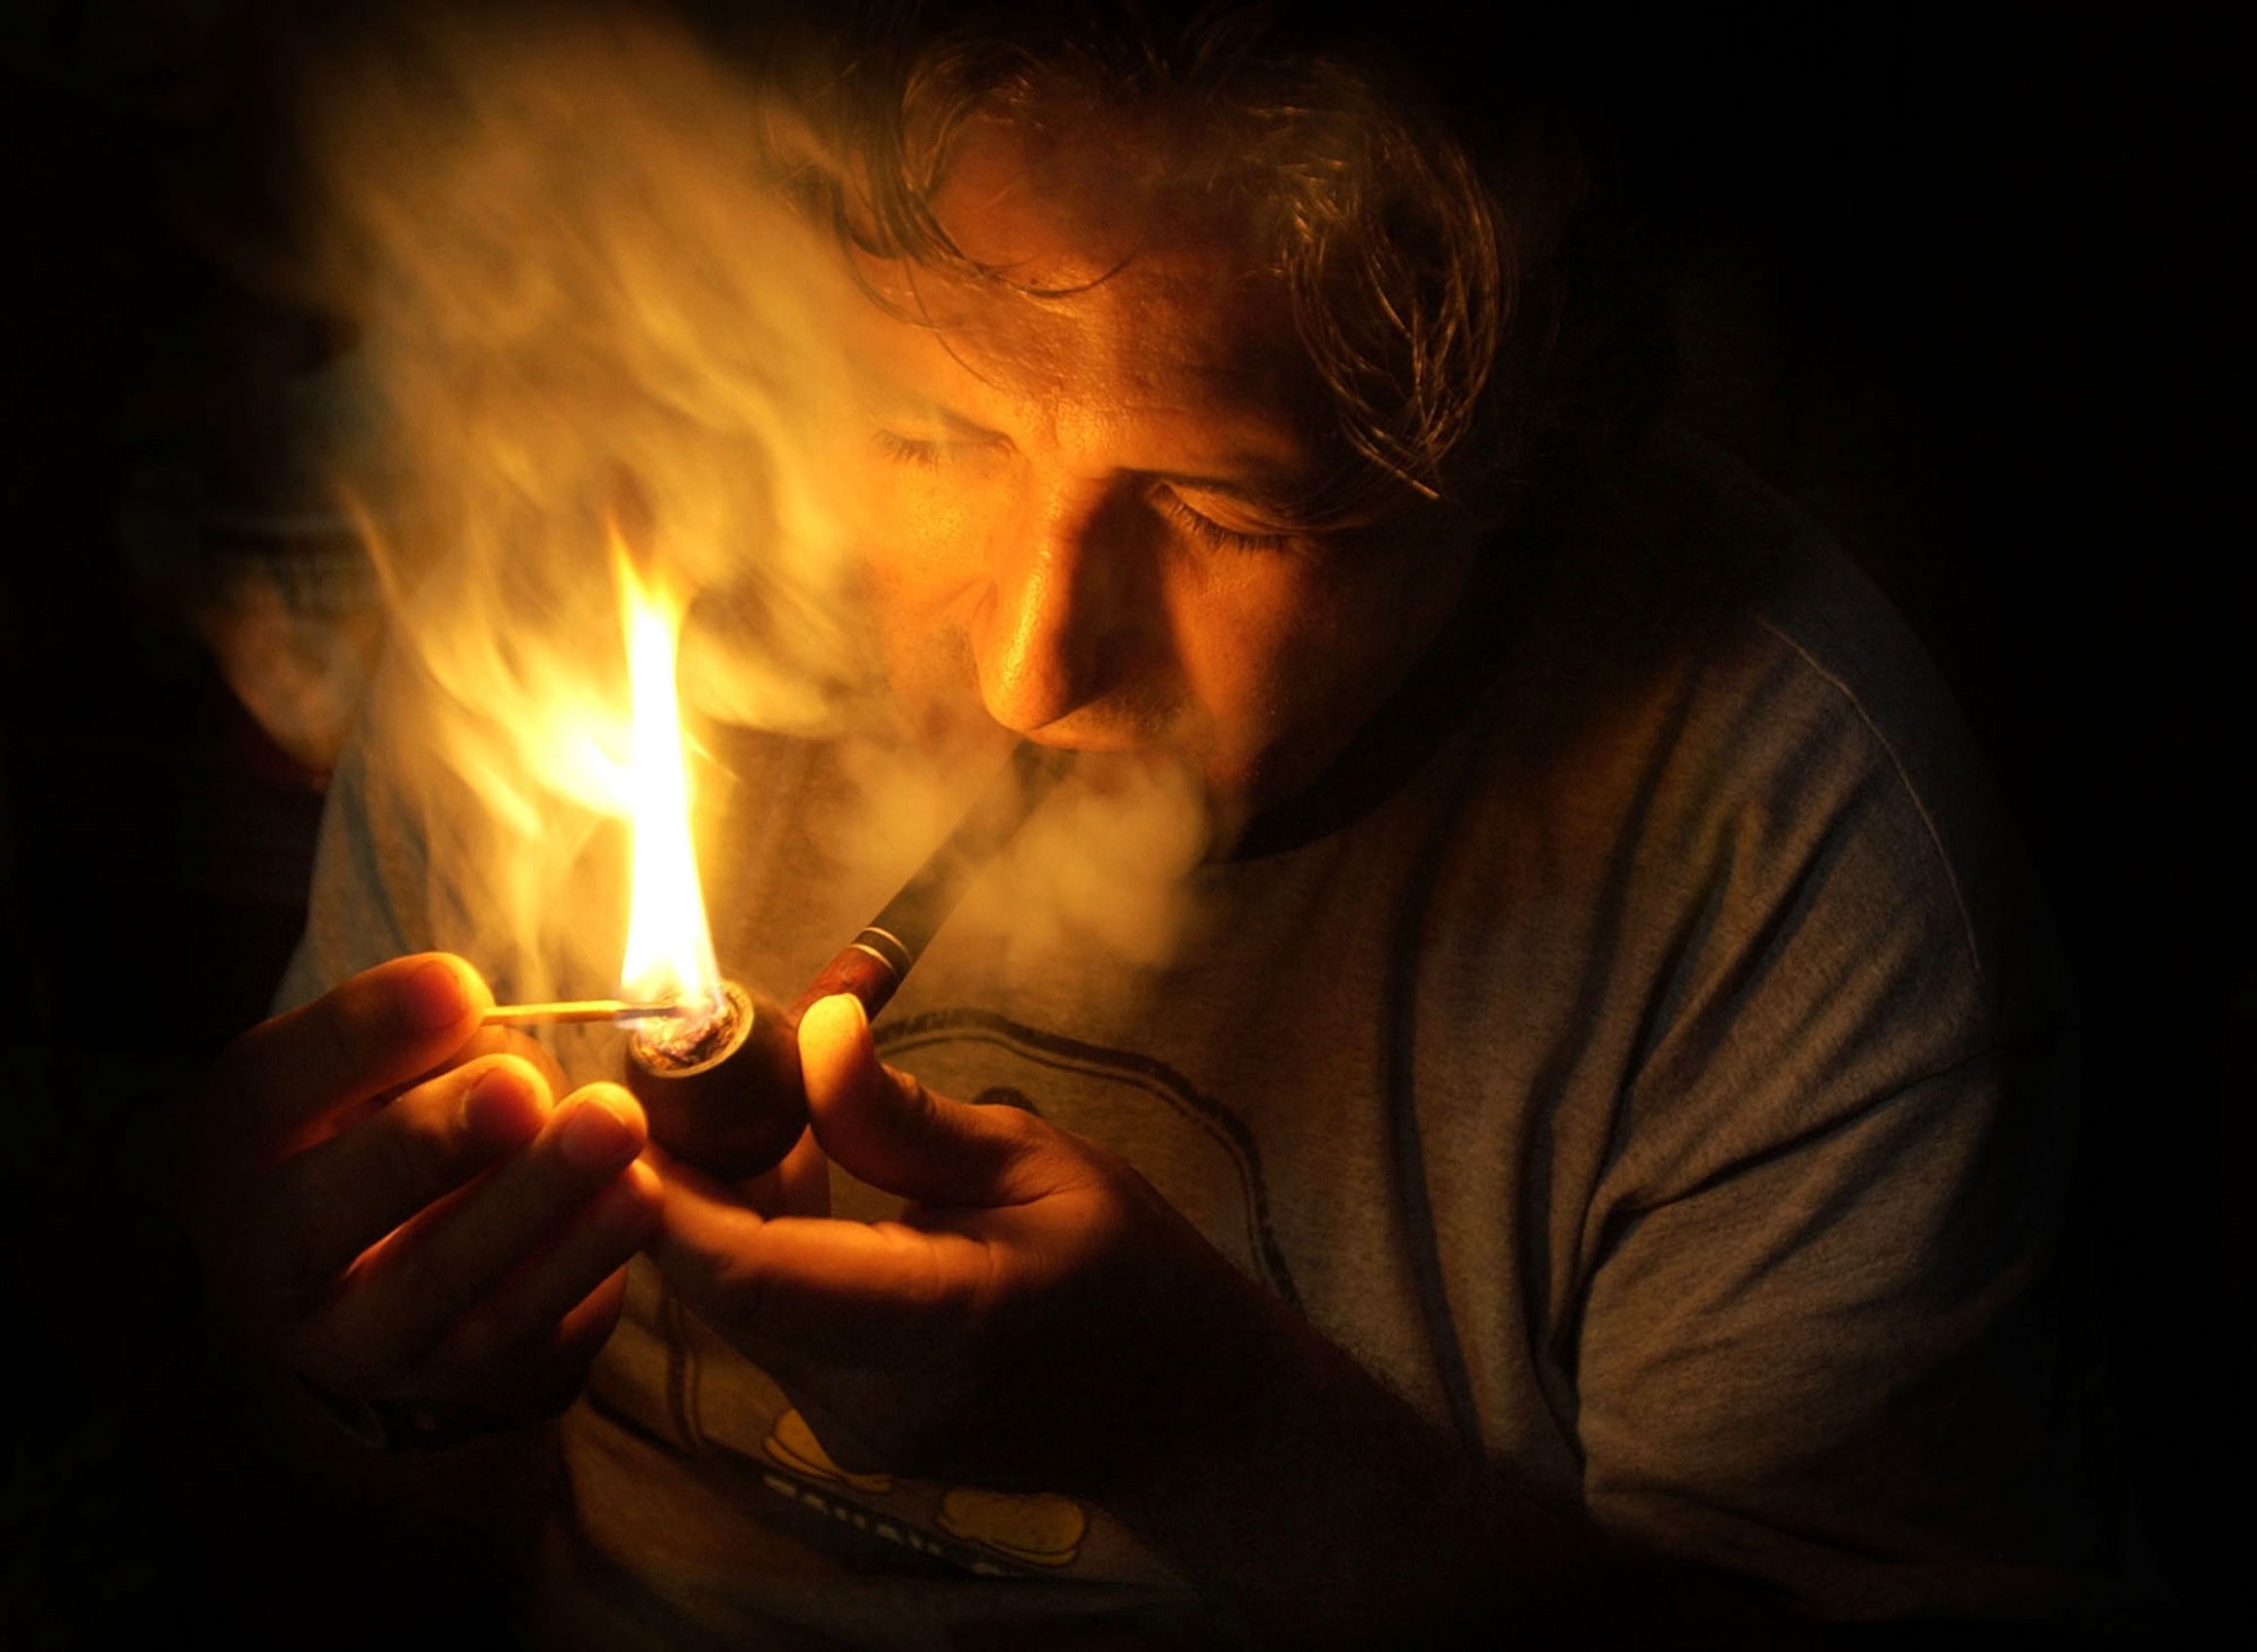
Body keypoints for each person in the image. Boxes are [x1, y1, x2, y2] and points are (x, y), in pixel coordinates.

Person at [183, 4, 2136, 1644]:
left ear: (1514, 473)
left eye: (1233, 511)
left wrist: (1215, 1434)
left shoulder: (1773, 831)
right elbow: (342, 1547)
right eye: (934, 434)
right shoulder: (583, 593)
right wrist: (385, 1387)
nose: (1040, 665)